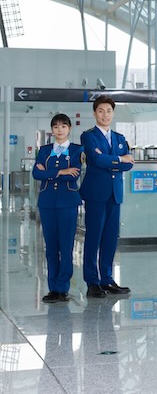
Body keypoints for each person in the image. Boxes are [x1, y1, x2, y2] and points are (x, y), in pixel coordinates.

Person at [79, 95, 134, 299]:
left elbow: (129, 164)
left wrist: (111, 160)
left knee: (110, 238)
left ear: (113, 113)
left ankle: (107, 280)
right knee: (94, 238)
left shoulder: (119, 138)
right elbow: (96, 159)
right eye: (101, 111)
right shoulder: (89, 136)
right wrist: (119, 158)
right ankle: (92, 282)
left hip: (114, 194)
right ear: (95, 113)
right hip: (95, 194)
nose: (105, 115)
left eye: (109, 111)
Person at [32, 113, 83, 303]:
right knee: (51, 247)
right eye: (55, 127)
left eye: (63, 126)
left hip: (68, 202)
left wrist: (49, 172)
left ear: (69, 128)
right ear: (52, 130)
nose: (59, 130)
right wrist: (61, 171)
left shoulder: (77, 150)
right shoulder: (44, 150)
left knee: (66, 246)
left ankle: (63, 288)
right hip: (47, 203)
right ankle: (53, 288)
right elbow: (36, 174)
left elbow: (74, 175)